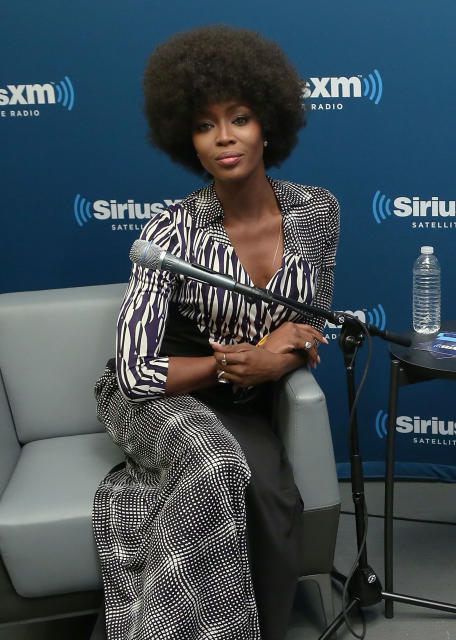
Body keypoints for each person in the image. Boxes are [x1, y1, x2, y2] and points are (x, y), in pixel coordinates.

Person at [92, 25, 340, 640]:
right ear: (188, 141)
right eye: (206, 125)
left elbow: (310, 319)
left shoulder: (317, 210)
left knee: (273, 498)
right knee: (213, 471)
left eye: (240, 118)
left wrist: (278, 359)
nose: (225, 137)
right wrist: (236, 364)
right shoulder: (172, 232)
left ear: (269, 126)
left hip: (243, 395)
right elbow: (135, 372)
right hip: (163, 394)